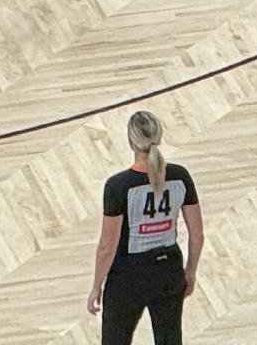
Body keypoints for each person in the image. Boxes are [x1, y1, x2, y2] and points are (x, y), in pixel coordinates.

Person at [88, 111, 202, 345]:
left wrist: (97, 286)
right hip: (169, 270)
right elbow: (197, 235)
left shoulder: (118, 186)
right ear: (159, 136)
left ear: (131, 141)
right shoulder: (180, 177)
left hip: (128, 277)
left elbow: (107, 247)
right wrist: (190, 271)